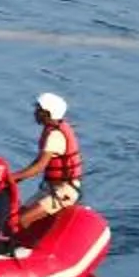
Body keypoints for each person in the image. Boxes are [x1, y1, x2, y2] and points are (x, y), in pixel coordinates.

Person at [14, 93, 82, 231]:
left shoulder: (55, 136)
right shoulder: (51, 130)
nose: (35, 113)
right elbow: (38, 161)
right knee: (16, 217)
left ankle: (18, 248)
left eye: (39, 110)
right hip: (50, 188)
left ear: (48, 113)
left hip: (64, 191)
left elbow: (39, 167)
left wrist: (12, 177)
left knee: (22, 220)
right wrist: (16, 178)